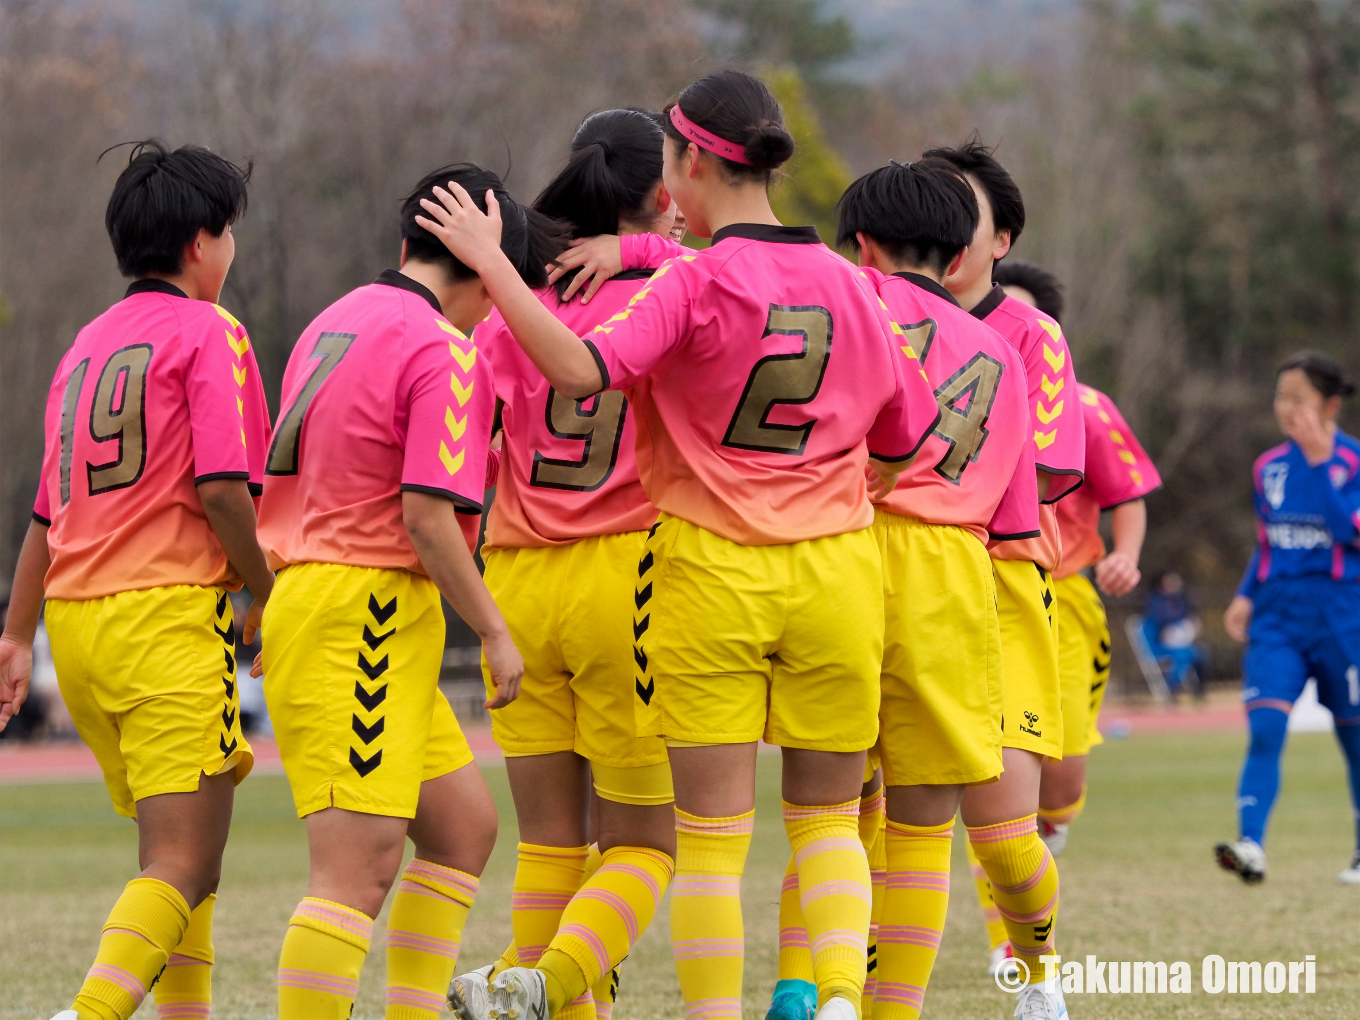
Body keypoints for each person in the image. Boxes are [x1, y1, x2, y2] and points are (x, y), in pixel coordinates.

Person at [419, 70, 941, 1020]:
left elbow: (580, 369)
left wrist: (500, 267)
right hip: (835, 572)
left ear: (693, 160)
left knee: (706, 838)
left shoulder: (693, 279)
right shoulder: (853, 285)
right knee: (826, 820)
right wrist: (861, 487)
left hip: (702, 570)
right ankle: (837, 999)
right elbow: (909, 438)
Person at [253, 163, 554, 1019]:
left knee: (463, 828)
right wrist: (494, 629)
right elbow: (425, 517)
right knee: (355, 871)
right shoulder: (444, 350)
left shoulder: (335, 319)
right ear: (486, 268)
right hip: (367, 609)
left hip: (328, 596)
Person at [0, 140, 272, 1020]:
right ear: (202, 240)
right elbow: (224, 488)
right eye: (230, 233)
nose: (232, 252)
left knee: (175, 859)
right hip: (161, 619)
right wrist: (263, 584)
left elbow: (48, 513)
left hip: (76, 628)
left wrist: (13, 634)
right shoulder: (209, 330)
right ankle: (88, 1012)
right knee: (187, 860)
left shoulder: (83, 348)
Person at [764, 160, 1039, 1020]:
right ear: (960, 252)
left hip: (846, 544)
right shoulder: (1004, 347)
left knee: (828, 806)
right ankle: (893, 1010)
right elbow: (1018, 521)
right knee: (924, 823)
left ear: (862, 245)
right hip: (956, 569)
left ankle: (800, 987)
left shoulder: (850, 304)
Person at [448, 110, 681, 1020]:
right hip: (623, 577)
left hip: (515, 577)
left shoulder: (507, 312)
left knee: (549, 844)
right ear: (662, 194)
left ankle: (535, 997)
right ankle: (527, 984)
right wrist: (641, 257)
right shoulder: (670, 287)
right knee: (643, 847)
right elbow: (743, 276)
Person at [927, 138, 1084, 1018]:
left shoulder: (1030, 335)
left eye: (965, 216)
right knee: (854, 818)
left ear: (1002, 241)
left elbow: (1056, 467)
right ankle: (829, 989)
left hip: (995, 585)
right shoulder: (878, 316)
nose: (943, 232)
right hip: (885, 588)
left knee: (1003, 832)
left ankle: (1037, 971)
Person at [997, 260, 1163, 858]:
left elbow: (1129, 493)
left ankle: (1052, 826)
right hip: (975, 586)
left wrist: (1126, 554)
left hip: (1062, 595)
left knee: (1060, 772)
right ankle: (1003, 946)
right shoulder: (962, 383)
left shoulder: (1085, 406)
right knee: (995, 765)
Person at [1217, 352, 1360, 886]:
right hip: (1278, 617)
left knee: (1355, 740)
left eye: (1299, 399)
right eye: (1281, 397)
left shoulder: (1352, 462)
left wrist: (1322, 462)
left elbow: (1351, 532)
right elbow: (1268, 541)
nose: (1287, 409)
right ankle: (1249, 844)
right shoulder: (1268, 466)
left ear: (1330, 405)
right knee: (1266, 726)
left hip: (1343, 617)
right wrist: (1245, 594)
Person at [1142, 572, 1209, 695]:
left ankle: (1199, 690)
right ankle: (1172, 688)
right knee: (1184, 655)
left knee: (1202, 652)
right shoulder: (1156, 602)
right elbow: (1158, 628)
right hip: (1161, 644)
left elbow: (1189, 619)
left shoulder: (1181, 600)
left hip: (1181, 641)